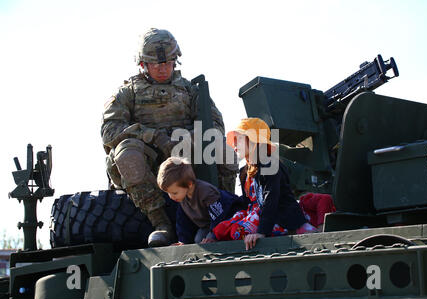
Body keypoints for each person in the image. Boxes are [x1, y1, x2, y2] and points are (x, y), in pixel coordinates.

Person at [101, 28, 238, 247]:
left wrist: (190, 138)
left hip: (188, 156)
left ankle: (225, 211)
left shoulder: (190, 91)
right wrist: (153, 137)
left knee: (223, 148)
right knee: (126, 152)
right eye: (156, 64)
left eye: (168, 63)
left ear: (175, 62)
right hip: (150, 158)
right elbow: (109, 131)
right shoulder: (127, 93)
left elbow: (216, 125)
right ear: (143, 64)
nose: (163, 69)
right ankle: (161, 224)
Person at [212, 118, 317, 250]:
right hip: (256, 213)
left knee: (238, 232)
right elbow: (246, 204)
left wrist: (262, 232)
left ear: (254, 141)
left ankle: (290, 231)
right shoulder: (245, 172)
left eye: (238, 139)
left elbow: (271, 201)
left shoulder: (270, 166)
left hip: (278, 216)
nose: (234, 144)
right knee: (222, 229)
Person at [157, 157, 243, 245]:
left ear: (189, 184)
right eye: (169, 193)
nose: (171, 197)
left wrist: (213, 236)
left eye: (174, 193)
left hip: (230, 217)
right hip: (209, 225)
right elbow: (182, 222)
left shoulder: (206, 192)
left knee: (208, 241)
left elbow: (219, 216)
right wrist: (183, 241)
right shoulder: (182, 197)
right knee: (199, 239)